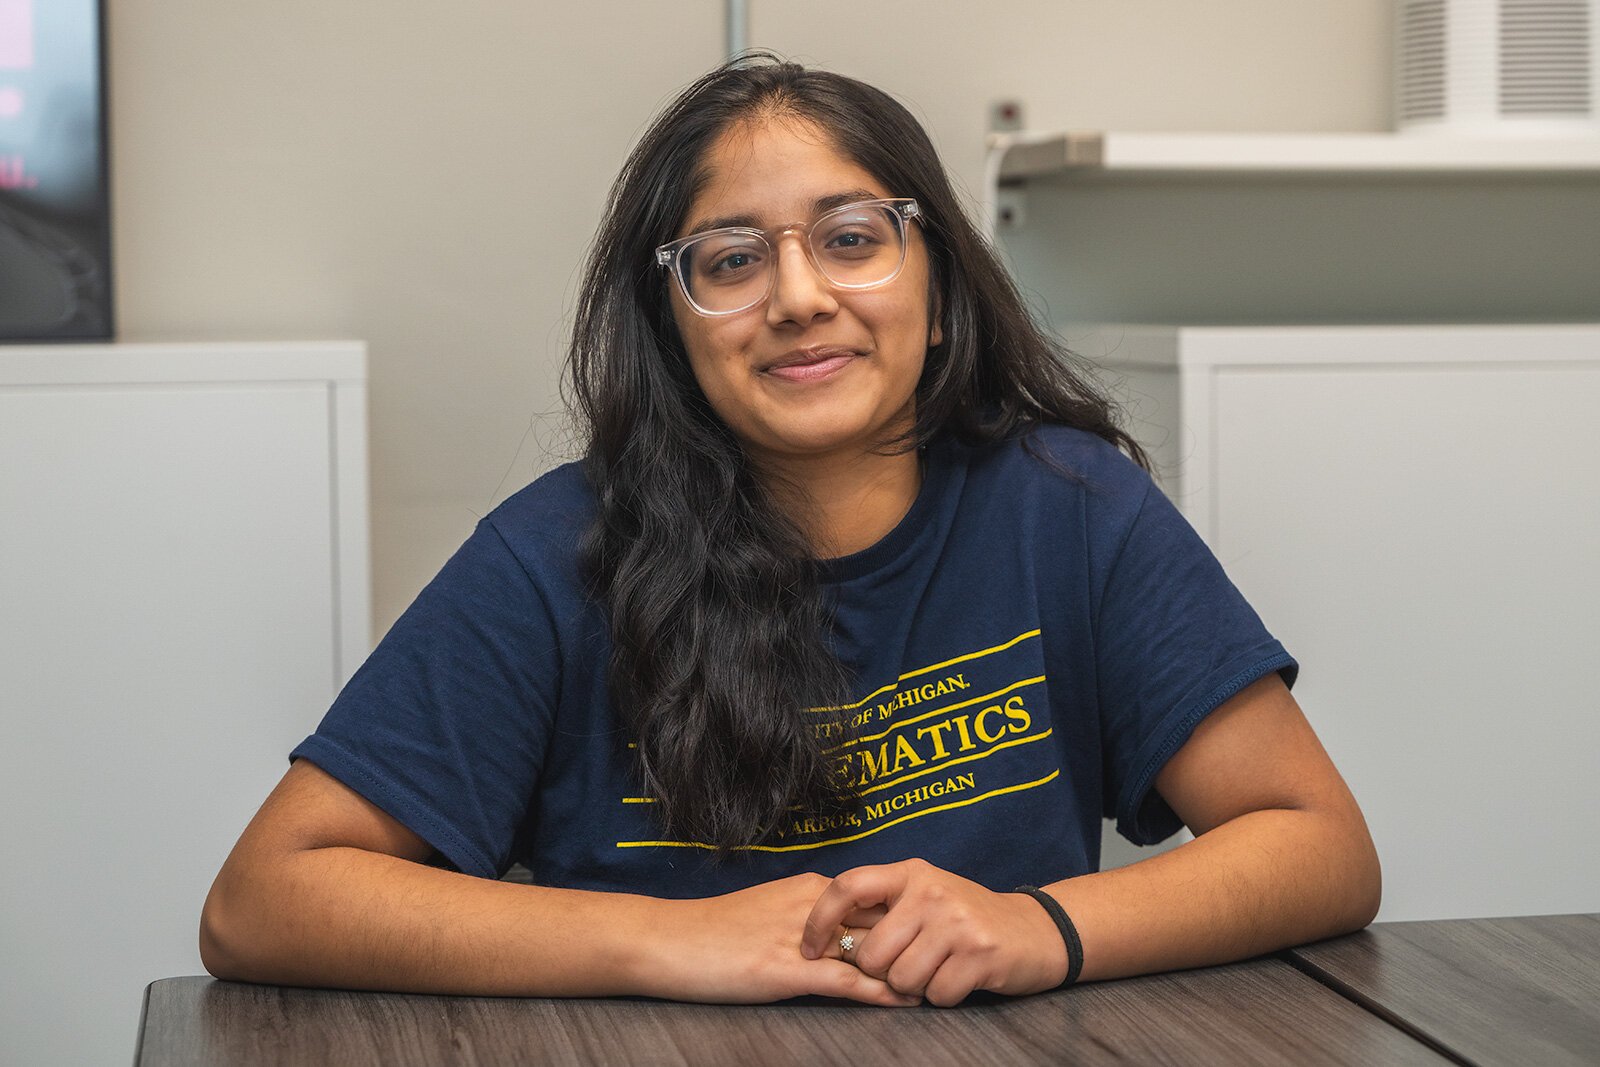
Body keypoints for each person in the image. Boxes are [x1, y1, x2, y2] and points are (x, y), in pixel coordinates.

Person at [199, 55, 1381, 1008]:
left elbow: (1317, 842)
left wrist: (1038, 926)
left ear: (938, 287)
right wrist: (673, 940)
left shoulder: (1069, 508)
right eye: (731, 260)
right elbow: (261, 900)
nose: (800, 296)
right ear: (673, 329)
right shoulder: (551, 555)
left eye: (852, 238)